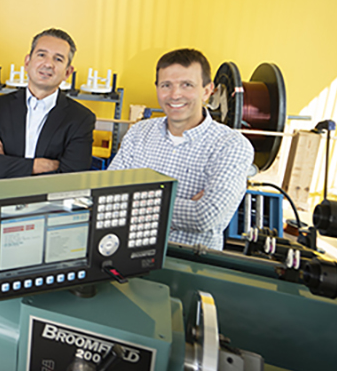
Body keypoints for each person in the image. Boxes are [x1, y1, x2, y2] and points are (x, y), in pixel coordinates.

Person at [108, 48, 253, 250]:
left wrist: (133, 199)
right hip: (128, 251)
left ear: (207, 91)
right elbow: (107, 195)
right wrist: (183, 206)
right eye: (166, 85)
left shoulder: (231, 145)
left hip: (190, 264)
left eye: (187, 85)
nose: (175, 95)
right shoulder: (139, 132)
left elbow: (204, 217)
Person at [0, 28, 96, 180]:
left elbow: (72, 178)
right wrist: (37, 165)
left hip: (47, 202)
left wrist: (6, 163)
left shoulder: (81, 118)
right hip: (1, 198)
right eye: (41, 55)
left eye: (58, 59)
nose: (48, 64)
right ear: (27, 62)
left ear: (67, 73)